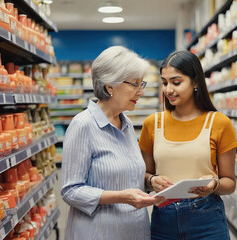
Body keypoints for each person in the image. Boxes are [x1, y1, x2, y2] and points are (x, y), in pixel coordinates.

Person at [61, 46, 163, 240]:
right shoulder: (83, 125)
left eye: (142, 84)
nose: (140, 92)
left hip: (134, 231)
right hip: (99, 233)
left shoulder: (127, 125)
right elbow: (70, 191)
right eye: (135, 84)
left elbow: (125, 175)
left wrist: (150, 181)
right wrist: (122, 197)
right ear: (110, 86)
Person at [139, 50, 237, 240]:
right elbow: (143, 176)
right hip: (164, 219)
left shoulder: (219, 123)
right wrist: (152, 180)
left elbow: (230, 182)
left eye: (176, 82)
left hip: (207, 218)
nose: (168, 90)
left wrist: (213, 185)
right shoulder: (153, 124)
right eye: (164, 82)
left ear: (194, 82)